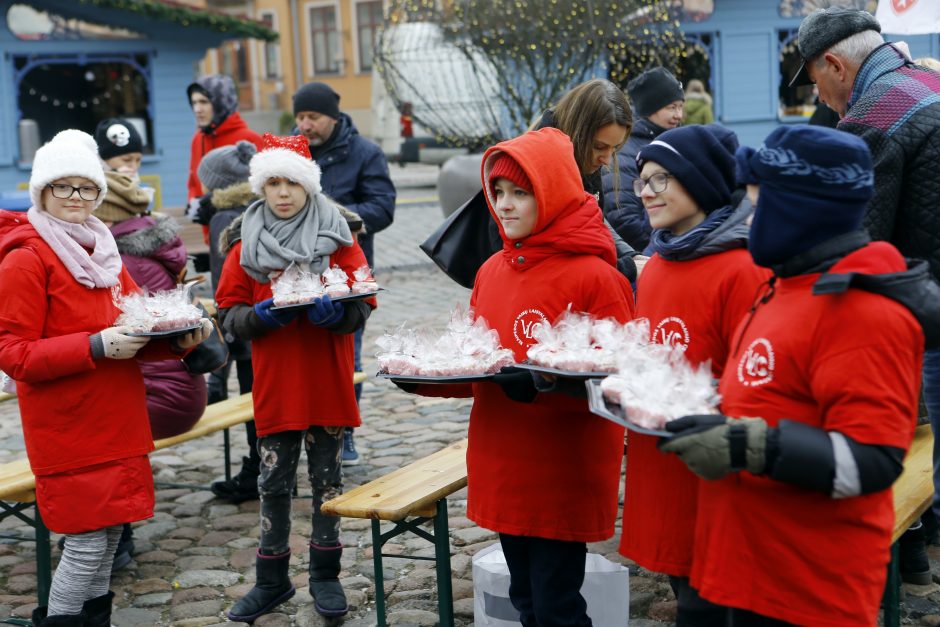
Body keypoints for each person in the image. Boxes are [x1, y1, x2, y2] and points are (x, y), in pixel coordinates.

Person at [660, 124, 936, 626]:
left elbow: (872, 462)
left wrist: (749, 446)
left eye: (759, 206)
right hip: (743, 569)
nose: (749, 221)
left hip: (806, 588)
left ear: (802, 208)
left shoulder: (863, 310)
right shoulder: (782, 286)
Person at [401, 127, 635, 626]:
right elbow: (479, 364)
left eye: (520, 193)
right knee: (527, 599)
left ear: (551, 192)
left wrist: (546, 384)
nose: (505, 205)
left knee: (557, 607)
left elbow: (620, 382)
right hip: (504, 455)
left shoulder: (597, 277)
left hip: (560, 465)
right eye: (498, 192)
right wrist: (423, 378)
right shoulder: (491, 271)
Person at [0, 130, 211, 626]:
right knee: (88, 538)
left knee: (111, 531)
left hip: (117, 415)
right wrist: (95, 346)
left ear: (100, 192)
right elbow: (13, 355)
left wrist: (178, 338)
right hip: (68, 424)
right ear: (43, 192)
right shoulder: (25, 259)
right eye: (64, 187)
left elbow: (137, 323)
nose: (77, 198)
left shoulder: (105, 253)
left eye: (86, 188)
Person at [791, 5, 940, 575]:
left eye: (815, 82)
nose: (822, 97)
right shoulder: (928, 81)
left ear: (834, 64)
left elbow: (855, 245)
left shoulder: (873, 117)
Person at [215, 133, 375, 622]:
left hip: (325, 378)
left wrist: (341, 316)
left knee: (328, 483)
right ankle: (272, 581)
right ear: (261, 187)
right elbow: (228, 313)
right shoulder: (243, 245)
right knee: (273, 483)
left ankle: (326, 576)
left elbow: (364, 298)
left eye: (292, 183)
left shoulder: (340, 235)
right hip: (276, 383)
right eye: (273, 183)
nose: (282, 193)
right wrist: (259, 317)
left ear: (308, 186)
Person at [622, 124, 768, 625]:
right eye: (641, 179)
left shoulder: (742, 267)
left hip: (717, 467)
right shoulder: (658, 265)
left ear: (701, 183)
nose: (644, 191)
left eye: (660, 179)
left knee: (712, 600)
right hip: (664, 459)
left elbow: (756, 378)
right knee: (684, 583)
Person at [93, 118, 209, 568]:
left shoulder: (119, 258)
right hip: (182, 386)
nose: (133, 169)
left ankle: (114, 537)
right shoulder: (153, 238)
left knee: (97, 424)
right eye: (124, 161)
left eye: (137, 161)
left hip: (164, 397)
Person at [292, 81, 396, 465]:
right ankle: (303, 430)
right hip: (295, 271)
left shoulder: (365, 152)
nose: (305, 124)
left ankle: (343, 434)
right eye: (300, 116)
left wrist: (338, 219)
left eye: (313, 117)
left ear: (333, 118)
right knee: (301, 357)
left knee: (346, 356)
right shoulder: (290, 152)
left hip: (346, 275)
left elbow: (383, 207)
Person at [601, 67, 685, 252]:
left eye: (680, 107)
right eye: (671, 107)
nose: (678, 115)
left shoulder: (677, 141)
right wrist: (665, 239)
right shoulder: (625, 149)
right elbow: (623, 218)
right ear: (650, 108)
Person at [186, 74, 263, 243]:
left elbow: (261, 191)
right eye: (194, 102)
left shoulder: (251, 139)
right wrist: (194, 203)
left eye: (204, 102)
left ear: (221, 103)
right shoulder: (198, 139)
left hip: (244, 237)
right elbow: (193, 182)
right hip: (210, 235)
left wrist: (214, 202)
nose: (197, 109)